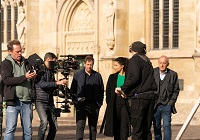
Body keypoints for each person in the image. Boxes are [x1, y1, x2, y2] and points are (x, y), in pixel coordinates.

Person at [115, 41, 157, 140]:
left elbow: (134, 77)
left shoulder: (135, 59)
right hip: (150, 97)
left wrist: (122, 88)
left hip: (140, 99)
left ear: (132, 50)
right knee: (146, 130)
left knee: (137, 130)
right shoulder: (147, 60)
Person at [1, 39, 36, 140]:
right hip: (13, 102)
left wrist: (34, 77)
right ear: (10, 51)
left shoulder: (27, 62)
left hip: (27, 102)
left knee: (28, 131)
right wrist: (25, 77)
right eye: (17, 51)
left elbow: (33, 80)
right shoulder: (5, 63)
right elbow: (7, 80)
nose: (20, 53)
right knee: (10, 129)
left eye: (21, 50)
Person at [35, 52, 68, 140]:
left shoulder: (50, 71)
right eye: (54, 61)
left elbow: (51, 85)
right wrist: (56, 82)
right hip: (40, 101)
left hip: (49, 101)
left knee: (54, 126)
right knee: (44, 123)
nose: (55, 64)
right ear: (48, 60)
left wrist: (59, 83)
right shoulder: (40, 70)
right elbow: (42, 84)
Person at [70, 55, 104, 140]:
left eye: (91, 64)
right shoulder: (78, 75)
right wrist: (75, 101)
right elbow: (72, 90)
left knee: (93, 128)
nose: (90, 66)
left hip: (94, 105)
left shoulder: (97, 76)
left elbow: (101, 90)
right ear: (84, 64)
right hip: (81, 105)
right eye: (88, 64)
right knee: (80, 127)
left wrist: (99, 104)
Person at [153, 55, 180, 140]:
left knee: (166, 125)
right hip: (155, 105)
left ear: (167, 64)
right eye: (160, 63)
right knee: (156, 126)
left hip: (167, 105)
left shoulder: (173, 74)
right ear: (158, 63)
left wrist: (170, 103)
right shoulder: (152, 72)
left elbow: (176, 90)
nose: (162, 65)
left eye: (164, 63)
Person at [104, 57, 130, 140]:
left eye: (116, 65)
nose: (114, 67)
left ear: (122, 66)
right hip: (114, 103)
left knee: (124, 124)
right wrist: (109, 102)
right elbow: (108, 91)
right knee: (116, 123)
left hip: (125, 103)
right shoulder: (112, 77)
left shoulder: (129, 77)